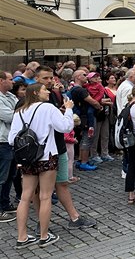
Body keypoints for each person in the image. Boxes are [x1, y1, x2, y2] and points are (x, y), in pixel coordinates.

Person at [8, 83, 74, 249]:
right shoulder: (48, 108)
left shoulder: (19, 111)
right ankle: (44, 236)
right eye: (45, 89)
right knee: (45, 196)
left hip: (27, 158)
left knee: (25, 197)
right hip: (46, 156)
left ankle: (22, 237)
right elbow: (65, 127)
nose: (48, 91)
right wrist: (69, 109)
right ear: (37, 92)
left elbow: (11, 139)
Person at [33, 67, 96, 230]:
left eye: (50, 78)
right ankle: (42, 222)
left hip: (58, 146)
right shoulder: (32, 99)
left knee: (62, 183)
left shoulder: (52, 94)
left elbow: (56, 117)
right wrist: (67, 112)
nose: (49, 81)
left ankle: (74, 217)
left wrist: (62, 112)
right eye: (45, 78)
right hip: (40, 151)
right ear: (36, 78)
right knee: (39, 190)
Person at [0, 70, 18, 223]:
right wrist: (19, 113)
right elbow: (9, 116)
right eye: (10, 79)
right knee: (1, 176)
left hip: (11, 140)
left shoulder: (11, 96)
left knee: (10, 175)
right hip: (2, 141)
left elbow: (18, 111)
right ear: (1, 81)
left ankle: (5, 203)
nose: (13, 82)